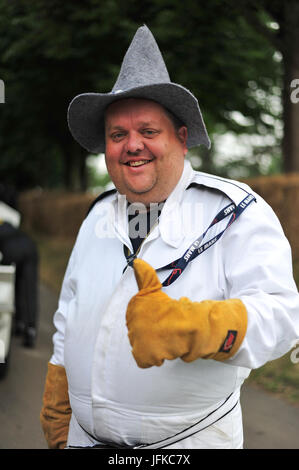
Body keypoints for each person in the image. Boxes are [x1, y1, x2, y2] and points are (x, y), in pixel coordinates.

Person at [40, 25, 299, 449]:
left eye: (148, 131)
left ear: (181, 138)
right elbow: (70, 312)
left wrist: (197, 325)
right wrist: (58, 399)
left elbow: (284, 317)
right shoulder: (97, 214)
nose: (132, 145)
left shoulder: (234, 212)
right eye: (117, 135)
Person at [0, 183, 39, 348]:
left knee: (10, 283)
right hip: (29, 246)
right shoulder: (13, 214)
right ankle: (29, 328)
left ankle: (17, 323)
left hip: (9, 248)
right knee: (28, 287)